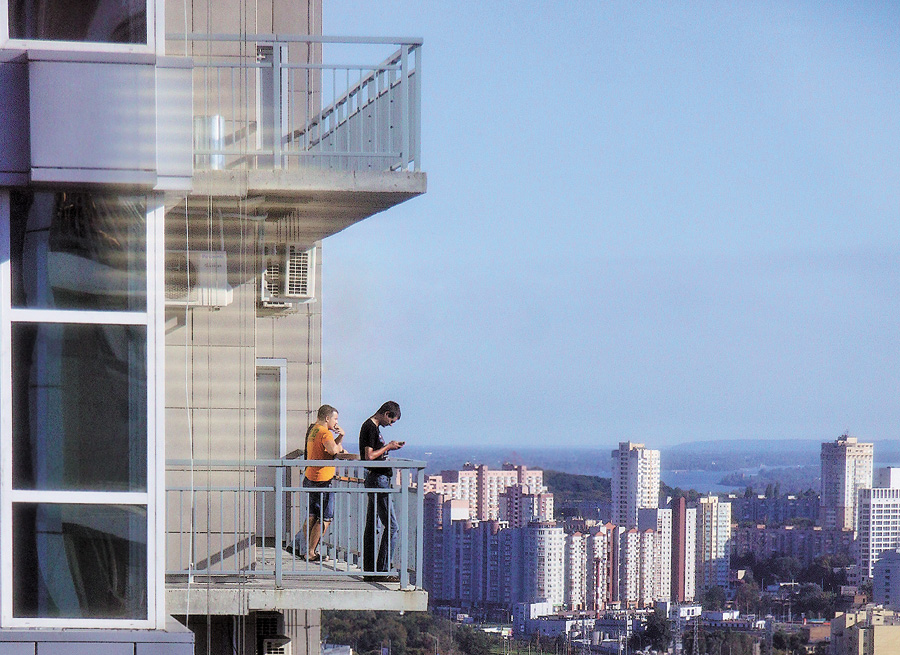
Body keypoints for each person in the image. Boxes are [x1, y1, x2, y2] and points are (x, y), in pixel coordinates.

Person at [287, 404, 346, 561]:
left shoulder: (313, 430)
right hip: (323, 480)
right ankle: (311, 552)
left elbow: (329, 448)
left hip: (310, 477)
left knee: (312, 515)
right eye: (335, 419)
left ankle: (301, 547)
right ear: (327, 418)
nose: (336, 422)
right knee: (325, 518)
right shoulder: (325, 433)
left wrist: (338, 439)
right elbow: (333, 450)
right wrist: (341, 437)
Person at [358, 401, 404, 581]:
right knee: (392, 526)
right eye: (391, 421)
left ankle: (371, 571)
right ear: (386, 414)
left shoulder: (372, 427)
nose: (390, 425)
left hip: (376, 478)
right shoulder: (370, 427)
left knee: (372, 526)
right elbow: (368, 456)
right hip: (378, 480)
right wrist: (388, 447)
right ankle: (382, 570)